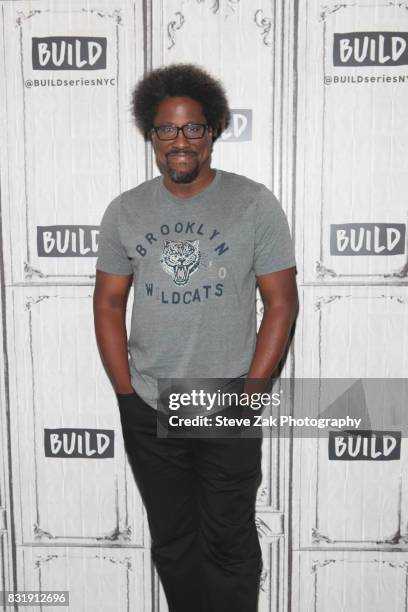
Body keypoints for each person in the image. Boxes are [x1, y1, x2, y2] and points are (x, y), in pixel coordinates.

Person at [93, 63, 298, 612]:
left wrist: (250, 393)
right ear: (151, 135)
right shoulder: (125, 211)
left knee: (229, 538)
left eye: (193, 128)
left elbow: (281, 302)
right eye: (167, 129)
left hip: (221, 396)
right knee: (175, 541)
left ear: (212, 132)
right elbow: (110, 303)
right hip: (150, 401)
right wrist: (126, 395)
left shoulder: (254, 203)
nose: (180, 141)